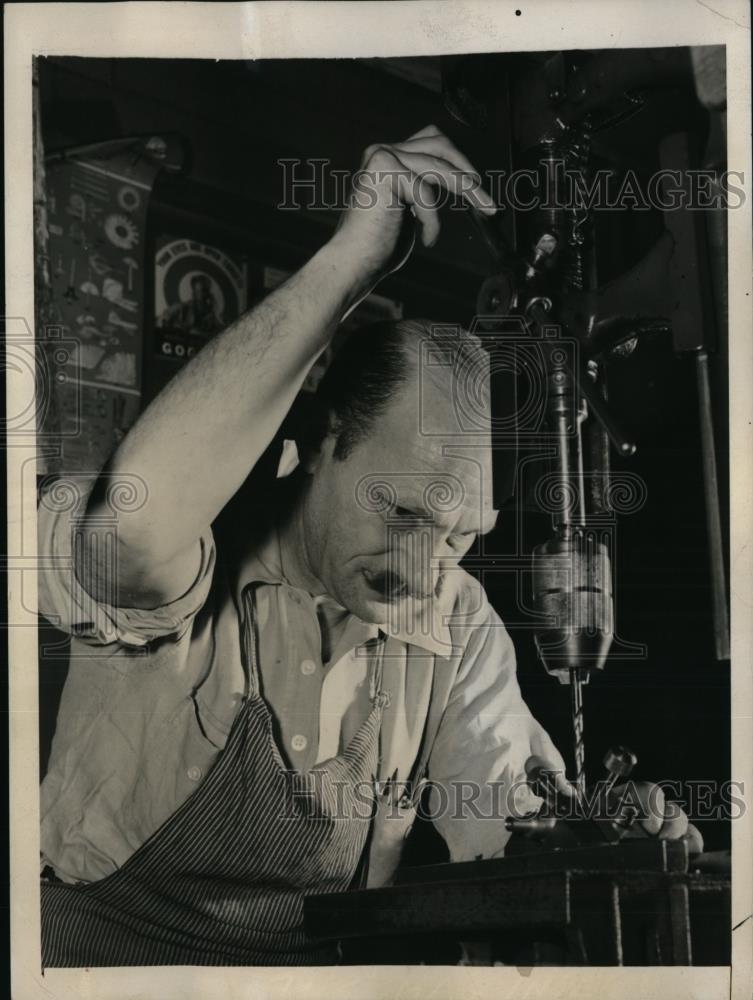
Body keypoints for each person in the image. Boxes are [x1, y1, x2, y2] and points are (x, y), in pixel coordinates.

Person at [37, 126, 698, 967]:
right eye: (405, 514)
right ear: (323, 441)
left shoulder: (455, 620)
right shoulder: (191, 547)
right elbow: (131, 535)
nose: (429, 569)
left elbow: (504, 815)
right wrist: (350, 260)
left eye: (460, 534)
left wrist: (594, 836)